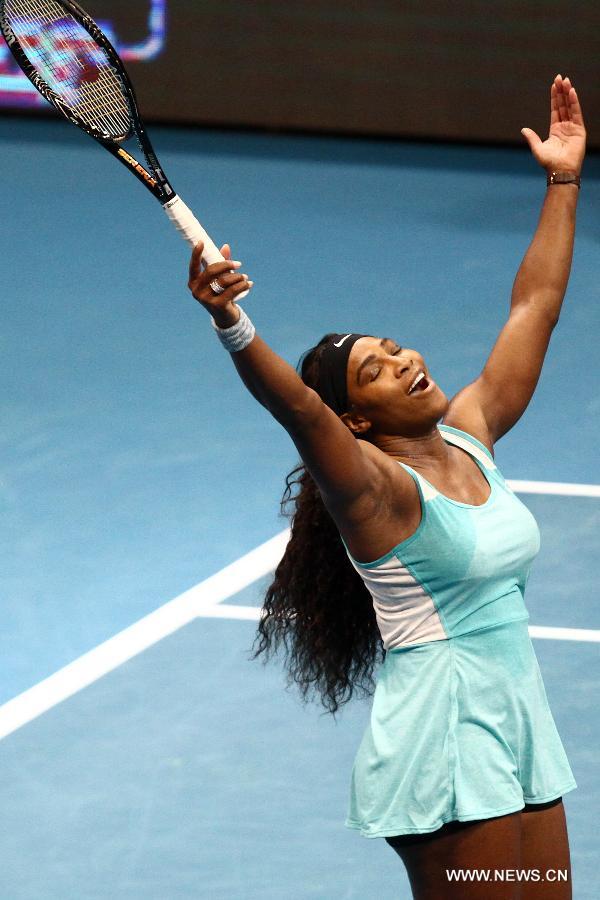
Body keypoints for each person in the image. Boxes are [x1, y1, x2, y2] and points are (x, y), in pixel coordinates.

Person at [187, 74, 585, 899]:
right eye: (375, 370)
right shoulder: (377, 493)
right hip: (443, 745)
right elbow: (298, 407)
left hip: (516, 725)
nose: (405, 361)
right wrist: (233, 321)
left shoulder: (472, 436)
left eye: (397, 348)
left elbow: (535, 306)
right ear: (357, 422)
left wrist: (563, 178)